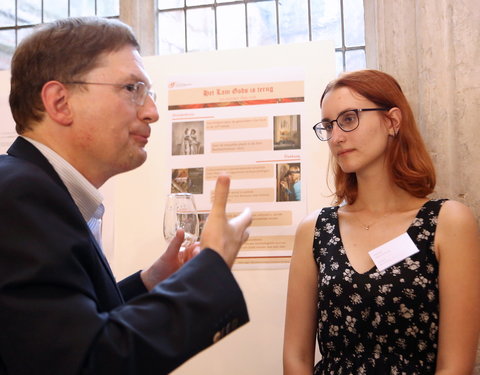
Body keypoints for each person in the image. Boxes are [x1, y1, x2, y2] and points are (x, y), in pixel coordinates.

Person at [0, 17, 252, 375]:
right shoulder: (21, 197)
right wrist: (211, 266)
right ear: (60, 102)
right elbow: (87, 363)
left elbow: (57, 328)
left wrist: (150, 283)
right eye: (132, 89)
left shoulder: (31, 188)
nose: (152, 111)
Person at [283, 70, 480, 374]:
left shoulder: (447, 223)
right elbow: (295, 358)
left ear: (392, 121)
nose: (336, 137)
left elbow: (455, 366)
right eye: (328, 125)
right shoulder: (316, 230)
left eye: (349, 119)